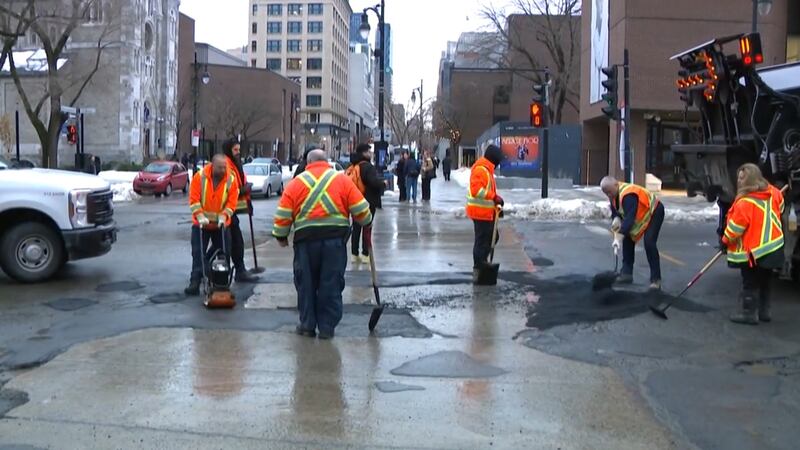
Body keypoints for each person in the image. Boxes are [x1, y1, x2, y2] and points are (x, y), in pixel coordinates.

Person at [273, 149, 373, 339]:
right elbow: (361, 210)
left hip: (305, 243)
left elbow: (283, 214)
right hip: (334, 242)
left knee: (306, 284)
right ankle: (327, 327)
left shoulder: (295, 184)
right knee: (331, 283)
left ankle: (307, 325)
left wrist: (281, 236)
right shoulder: (342, 180)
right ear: (326, 161)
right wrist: (366, 221)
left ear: (307, 162)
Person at [720, 163, 785, 325]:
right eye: (738, 177)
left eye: (743, 178)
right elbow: (781, 208)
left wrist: (724, 241)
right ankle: (765, 312)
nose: (739, 181)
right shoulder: (774, 193)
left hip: (756, 250)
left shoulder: (744, 203)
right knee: (765, 279)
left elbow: (735, 228)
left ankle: (749, 313)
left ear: (751, 179)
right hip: (774, 246)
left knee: (749, 281)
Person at [185, 155, 239, 295]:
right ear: (212, 166)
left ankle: (221, 282)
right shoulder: (200, 177)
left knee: (224, 253)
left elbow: (232, 202)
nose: (223, 170)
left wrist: (224, 215)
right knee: (198, 253)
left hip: (221, 225)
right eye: (220, 167)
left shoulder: (231, 180)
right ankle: (195, 281)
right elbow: (194, 199)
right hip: (201, 224)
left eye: (224, 167)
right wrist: (200, 215)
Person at [601, 176, 665, 290]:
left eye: (609, 192)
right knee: (628, 239)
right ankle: (626, 273)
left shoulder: (628, 195)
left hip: (654, 211)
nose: (609, 195)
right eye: (606, 193)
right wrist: (616, 218)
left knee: (649, 242)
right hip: (641, 214)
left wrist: (618, 238)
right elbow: (616, 212)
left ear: (616, 185)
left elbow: (629, 220)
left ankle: (656, 280)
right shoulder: (614, 195)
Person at [222, 140, 259, 282]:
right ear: (228, 150)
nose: (238, 152)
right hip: (224, 211)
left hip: (231, 211)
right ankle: (230, 271)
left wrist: (246, 202)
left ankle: (239, 270)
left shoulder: (235, 165)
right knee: (230, 243)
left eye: (238, 149)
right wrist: (242, 190)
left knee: (235, 242)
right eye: (235, 150)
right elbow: (229, 190)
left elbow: (239, 185)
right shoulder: (226, 165)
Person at [466, 145, 505, 281]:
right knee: (481, 241)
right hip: (479, 213)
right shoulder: (481, 170)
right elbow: (477, 190)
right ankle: (479, 266)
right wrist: (494, 197)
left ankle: (482, 262)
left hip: (486, 213)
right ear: (493, 158)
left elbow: (489, 191)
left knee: (492, 237)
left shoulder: (487, 170)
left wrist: (496, 206)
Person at [347, 143, 386, 264]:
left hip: (355, 201)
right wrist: (383, 183)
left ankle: (354, 254)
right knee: (367, 227)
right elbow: (373, 182)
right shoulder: (368, 167)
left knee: (356, 227)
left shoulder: (353, 166)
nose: (371, 153)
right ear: (364, 153)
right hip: (368, 201)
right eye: (369, 151)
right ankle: (365, 253)